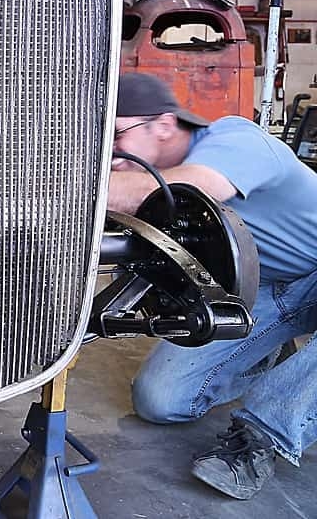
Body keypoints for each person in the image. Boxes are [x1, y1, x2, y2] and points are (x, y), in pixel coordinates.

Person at [108, 71, 317, 500]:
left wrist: (59, 184)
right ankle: (268, 355)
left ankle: (265, 434)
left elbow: (189, 188)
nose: (109, 153)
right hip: (270, 289)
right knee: (161, 403)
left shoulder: (237, 140)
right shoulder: (141, 178)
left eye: (116, 135)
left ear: (164, 125)